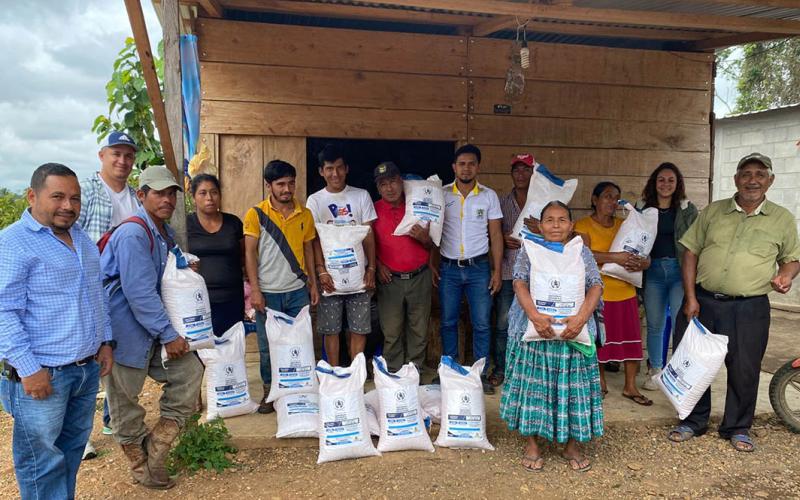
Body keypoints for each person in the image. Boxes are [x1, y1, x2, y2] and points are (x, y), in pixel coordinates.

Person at [669, 153, 800, 452]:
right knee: (693, 363)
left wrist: (786, 275)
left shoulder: (781, 218)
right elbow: (690, 252)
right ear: (736, 179)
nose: (752, 180)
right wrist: (690, 297)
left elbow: (792, 258)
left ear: (770, 180)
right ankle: (692, 421)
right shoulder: (714, 212)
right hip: (703, 301)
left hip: (750, 307)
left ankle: (738, 427)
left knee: (744, 367)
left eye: (760, 174)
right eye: (746, 174)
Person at [0, 163, 114, 500]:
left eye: (75, 198)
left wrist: (105, 341)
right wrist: (28, 367)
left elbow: (98, 296)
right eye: (58, 197)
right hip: (42, 374)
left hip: (83, 371)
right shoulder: (13, 242)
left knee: (71, 452)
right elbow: (4, 310)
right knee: (41, 462)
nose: (68, 205)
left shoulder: (83, 241)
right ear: (32, 196)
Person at [101, 166, 203, 490]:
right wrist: (169, 334)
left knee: (189, 371)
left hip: (148, 333)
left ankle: (156, 448)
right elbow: (139, 292)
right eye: (159, 192)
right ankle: (141, 467)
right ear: (141, 195)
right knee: (124, 404)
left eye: (172, 193)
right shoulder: (133, 233)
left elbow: (165, 274)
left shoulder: (162, 233)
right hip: (123, 334)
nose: (168, 199)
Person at [500, 201, 603, 472]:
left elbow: (595, 285)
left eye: (561, 220)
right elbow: (519, 282)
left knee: (573, 387)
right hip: (536, 329)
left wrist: (581, 318)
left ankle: (571, 444)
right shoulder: (529, 250)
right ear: (540, 225)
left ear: (571, 226)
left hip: (573, 331)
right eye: (549, 220)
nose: (555, 225)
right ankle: (532, 443)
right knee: (533, 386)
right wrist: (535, 316)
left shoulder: (582, 252)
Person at [77, 130, 140, 450]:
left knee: (113, 353)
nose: (123, 160)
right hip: (91, 289)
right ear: (102, 155)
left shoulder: (134, 198)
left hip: (124, 293)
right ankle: (80, 436)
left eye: (128, 155)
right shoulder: (86, 192)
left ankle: (111, 419)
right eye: (116, 153)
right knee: (86, 358)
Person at [244, 160, 318, 413]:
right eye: (281, 184)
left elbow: (309, 249)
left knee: (302, 343)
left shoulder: (305, 214)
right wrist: (255, 290)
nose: (287, 189)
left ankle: (300, 390)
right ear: (269, 186)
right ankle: (269, 391)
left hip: (298, 291)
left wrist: (314, 285)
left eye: (291, 183)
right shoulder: (256, 214)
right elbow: (250, 253)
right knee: (267, 348)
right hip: (268, 293)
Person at [574, 182, 652, 405]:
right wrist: (615, 257)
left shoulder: (625, 225)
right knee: (599, 339)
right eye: (607, 196)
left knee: (631, 340)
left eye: (616, 197)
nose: (612, 202)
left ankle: (630, 386)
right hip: (598, 294)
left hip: (625, 291)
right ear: (594, 199)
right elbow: (585, 254)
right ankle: (600, 382)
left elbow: (643, 252)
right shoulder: (583, 225)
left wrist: (644, 262)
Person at [437, 144, 503, 394]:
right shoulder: (441, 195)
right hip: (449, 268)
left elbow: (495, 235)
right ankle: (450, 371)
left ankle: (481, 373)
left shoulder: (488, 196)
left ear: (478, 167)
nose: (466, 168)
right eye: (461, 163)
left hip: (479, 268)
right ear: (454, 167)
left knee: (482, 323)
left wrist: (496, 271)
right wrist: (434, 266)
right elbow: (434, 233)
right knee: (448, 322)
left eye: (471, 163)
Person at [307, 144, 377, 366]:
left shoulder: (361, 196)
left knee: (359, 327)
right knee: (331, 329)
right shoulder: (315, 201)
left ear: (346, 169)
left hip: (358, 274)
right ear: (321, 171)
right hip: (330, 277)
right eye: (329, 168)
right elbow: (314, 239)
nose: (334, 174)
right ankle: (335, 373)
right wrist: (320, 271)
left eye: (339, 168)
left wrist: (372, 268)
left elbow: (368, 235)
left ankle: (356, 373)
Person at [637, 163, 698, 391]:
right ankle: (656, 371)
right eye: (661, 179)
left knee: (681, 325)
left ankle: (680, 373)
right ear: (654, 182)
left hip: (678, 271)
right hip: (652, 271)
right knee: (655, 324)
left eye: (670, 180)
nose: (665, 184)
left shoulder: (686, 209)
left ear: (678, 183)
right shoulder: (642, 207)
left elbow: (694, 243)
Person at [372, 162, 434, 372]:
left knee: (419, 329)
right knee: (391, 331)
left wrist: (426, 239)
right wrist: (378, 266)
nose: (389, 188)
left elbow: (435, 242)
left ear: (402, 182)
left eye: (392, 181)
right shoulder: (373, 210)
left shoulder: (418, 206)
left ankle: (415, 372)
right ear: (378, 188)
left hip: (420, 276)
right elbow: (365, 245)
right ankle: (394, 375)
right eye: (383, 184)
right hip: (390, 280)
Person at [492, 153, 535, 387]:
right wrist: (502, 238)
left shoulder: (540, 204)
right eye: (516, 170)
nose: (521, 174)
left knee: (532, 323)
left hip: (535, 274)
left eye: (525, 170)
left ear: (532, 173)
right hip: (508, 271)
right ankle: (501, 368)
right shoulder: (501, 202)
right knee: (503, 324)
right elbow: (491, 234)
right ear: (511, 174)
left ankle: (526, 371)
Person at [187, 174, 244, 337]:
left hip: (232, 298)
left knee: (231, 349)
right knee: (203, 350)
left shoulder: (233, 223)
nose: (209, 198)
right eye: (203, 193)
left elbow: (244, 256)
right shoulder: (186, 225)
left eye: (214, 192)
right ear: (193, 197)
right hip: (199, 300)